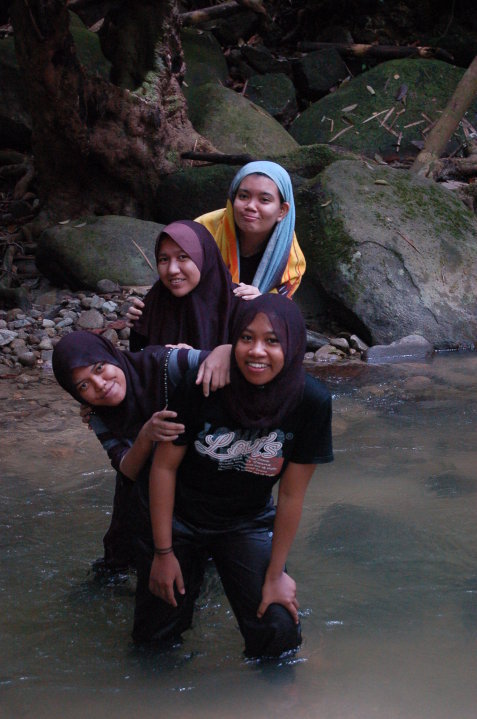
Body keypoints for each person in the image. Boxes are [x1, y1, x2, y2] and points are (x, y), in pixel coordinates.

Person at [132, 294, 333, 658]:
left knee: (278, 628)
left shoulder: (312, 402)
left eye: (272, 341)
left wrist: (276, 574)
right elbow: (163, 467)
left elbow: (291, 496)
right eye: (246, 338)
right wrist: (163, 552)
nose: (257, 351)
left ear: (293, 345)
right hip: (179, 518)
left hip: (247, 522)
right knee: (154, 638)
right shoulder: (205, 382)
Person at [52, 331, 230, 575]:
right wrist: (146, 435)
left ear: (111, 356)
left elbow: (233, 360)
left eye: (99, 368)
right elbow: (126, 469)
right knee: (118, 567)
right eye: (84, 385)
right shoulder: (95, 413)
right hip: (143, 496)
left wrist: (223, 350)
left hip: (200, 486)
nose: (100, 385)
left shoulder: (163, 363)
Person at [195, 160, 306, 300]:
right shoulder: (202, 230)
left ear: (282, 211)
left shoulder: (290, 260)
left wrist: (261, 301)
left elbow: (279, 307)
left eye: (264, 200)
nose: (251, 206)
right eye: (243, 196)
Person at [128, 219, 239, 352]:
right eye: (164, 259)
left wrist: (193, 358)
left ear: (204, 257)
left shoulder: (237, 305)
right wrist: (137, 327)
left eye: (182, 257)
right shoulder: (154, 303)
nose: (172, 270)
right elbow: (136, 360)